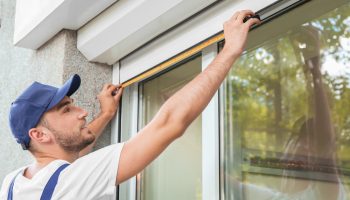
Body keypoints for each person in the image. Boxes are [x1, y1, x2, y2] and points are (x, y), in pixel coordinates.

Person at [0, 10, 260, 199]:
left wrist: (105, 114)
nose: (82, 112)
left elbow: (70, 149)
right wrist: (229, 51)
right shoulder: (69, 182)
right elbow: (169, 123)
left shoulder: (12, 184)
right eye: (67, 109)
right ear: (39, 134)